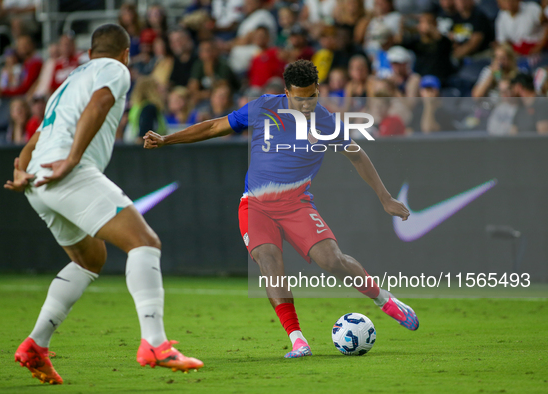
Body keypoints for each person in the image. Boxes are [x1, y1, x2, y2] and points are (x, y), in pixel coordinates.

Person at [144, 59, 419, 359]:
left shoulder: (324, 120)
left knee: (332, 261)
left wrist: (385, 197)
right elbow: (214, 126)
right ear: (286, 92)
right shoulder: (263, 107)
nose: (306, 104)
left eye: (311, 96)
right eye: (300, 97)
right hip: (256, 205)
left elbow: (357, 155)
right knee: (268, 260)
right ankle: (298, 340)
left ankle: (385, 300)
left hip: (296, 204)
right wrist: (167, 139)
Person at [4, 24, 203, 385]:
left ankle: (37, 344)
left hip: (36, 180)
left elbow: (37, 135)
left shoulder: (66, 84)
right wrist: (72, 159)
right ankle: (155, 343)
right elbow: (101, 103)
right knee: (144, 243)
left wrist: (20, 169)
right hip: (66, 171)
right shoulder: (115, 69)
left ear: (89, 52)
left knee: (89, 259)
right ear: (125, 53)